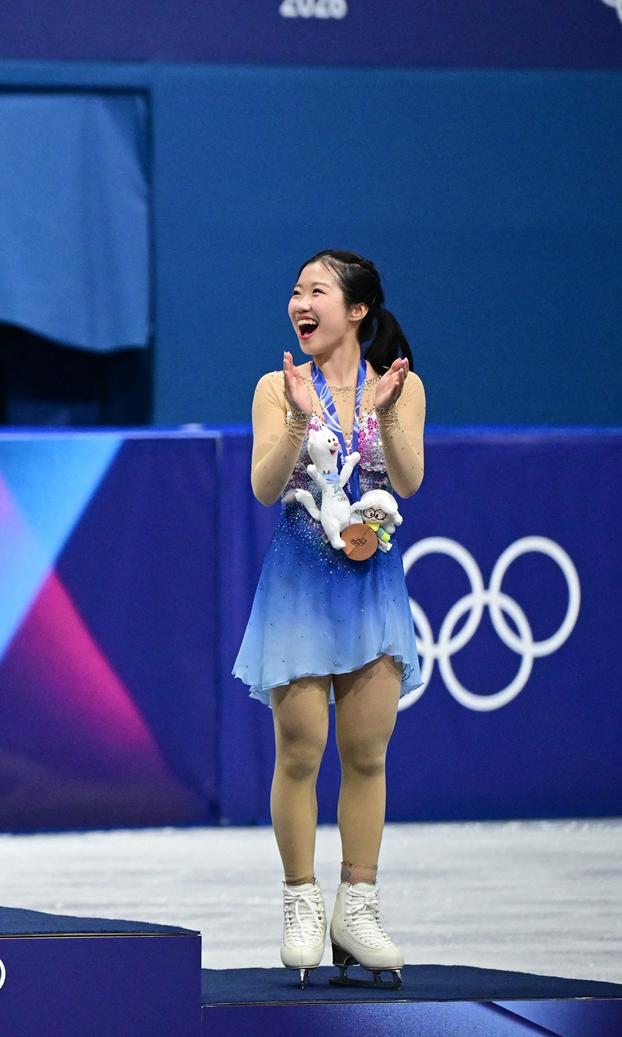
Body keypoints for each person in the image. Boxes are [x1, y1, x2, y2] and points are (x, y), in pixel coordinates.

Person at [235, 250, 425, 989]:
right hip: (299, 589)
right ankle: (301, 902)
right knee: (300, 752)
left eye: (316, 290)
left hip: (372, 590)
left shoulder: (399, 385)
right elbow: (263, 487)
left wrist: (387, 413)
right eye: (295, 291)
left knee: (368, 754)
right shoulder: (275, 386)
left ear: (357, 310)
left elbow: (408, 480)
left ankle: (358, 907)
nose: (300, 303)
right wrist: (296, 420)